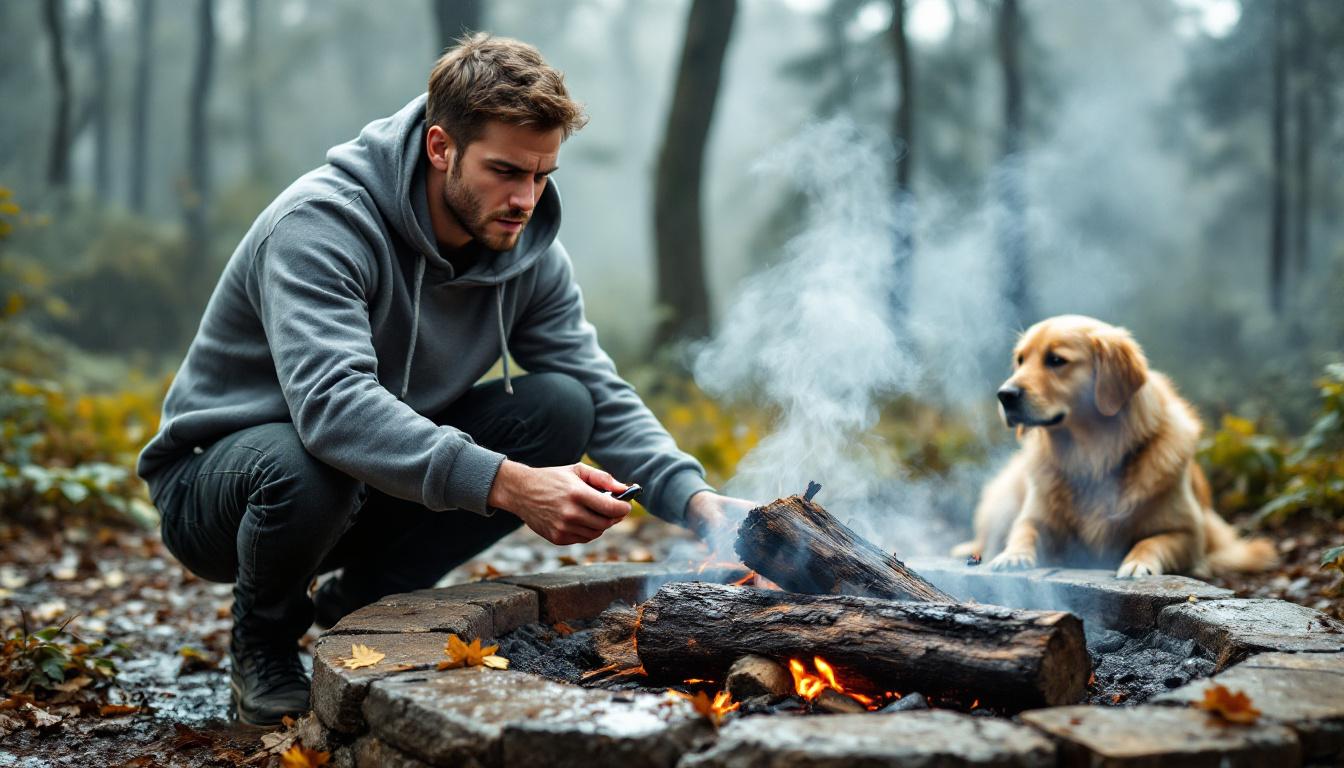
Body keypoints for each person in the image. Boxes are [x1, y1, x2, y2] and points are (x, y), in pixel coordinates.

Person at [137, 33, 748, 726]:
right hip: (224, 491)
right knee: (309, 463)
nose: (526, 199)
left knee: (560, 407)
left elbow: (596, 387)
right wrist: (514, 484)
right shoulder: (321, 225)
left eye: (543, 175)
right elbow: (334, 410)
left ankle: (367, 604)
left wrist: (695, 501)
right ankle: (263, 650)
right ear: (439, 148)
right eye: (505, 171)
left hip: (366, 489)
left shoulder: (526, 250)